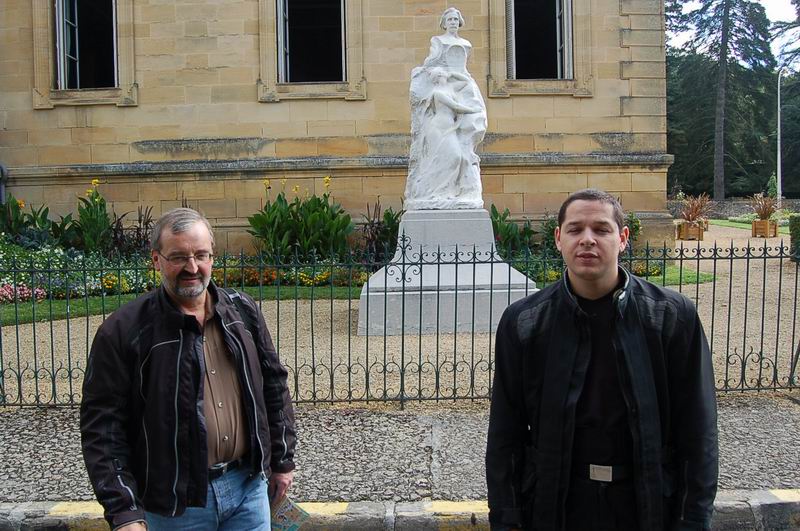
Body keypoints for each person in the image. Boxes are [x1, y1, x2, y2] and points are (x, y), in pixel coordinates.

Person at [485, 189, 718, 530]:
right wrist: (507, 521)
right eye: (575, 229)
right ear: (558, 238)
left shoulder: (670, 317)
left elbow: (698, 431)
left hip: (646, 507)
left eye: (601, 229)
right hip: (555, 508)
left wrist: (692, 520)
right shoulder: (525, 323)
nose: (587, 239)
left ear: (623, 238)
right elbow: (505, 435)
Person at [80, 207, 296, 530]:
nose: (192, 267)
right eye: (179, 257)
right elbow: (103, 428)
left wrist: (282, 460)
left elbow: (274, 387)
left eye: (201, 255)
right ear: (156, 260)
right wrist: (124, 510)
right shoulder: (124, 331)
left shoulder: (242, 312)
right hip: (175, 508)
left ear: (213, 257)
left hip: (248, 490)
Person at [406, 7, 487, 210]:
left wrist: (456, 76)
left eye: (455, 19)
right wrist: (472, 109)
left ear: (460, 22)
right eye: (449, 19)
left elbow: (463, 76)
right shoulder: (437, 42)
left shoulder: (465, 45)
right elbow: (430, 63)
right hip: (441, 125)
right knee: (448, 156)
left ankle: (453, 190)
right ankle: (438, 191)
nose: (452, 22)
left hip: (456, 102)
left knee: (461, 149)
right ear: (444, 23)